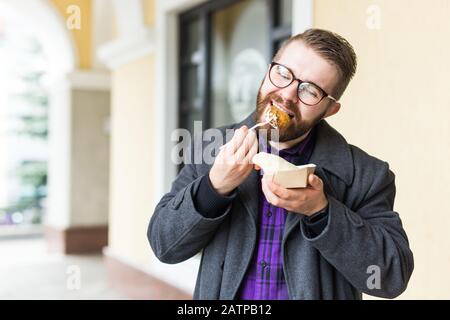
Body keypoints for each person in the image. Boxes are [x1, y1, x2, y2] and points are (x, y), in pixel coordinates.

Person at [148, 28, 414, 300]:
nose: (287, 94)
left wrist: (321, 212)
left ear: (329, 110)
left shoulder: (366, 175)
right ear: (267, 71)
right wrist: (214, 187)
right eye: (283, 74)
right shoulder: (210, 149)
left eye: (310, 90)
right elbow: (164, 246)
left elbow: (390, 278)